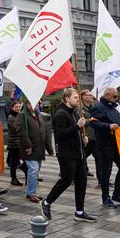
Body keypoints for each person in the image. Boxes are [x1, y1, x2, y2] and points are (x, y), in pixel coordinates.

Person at [40, 89, 96, 222]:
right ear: (66, 99)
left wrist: (84, 138)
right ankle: (46, 202)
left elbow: (76, 132)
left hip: (79, 152)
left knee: (82, 182)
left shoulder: (74, 112)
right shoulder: (61, 114)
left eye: (78, 97)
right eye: (75, 97)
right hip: (67, 154)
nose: (78, 99)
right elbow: (61, 134)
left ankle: (79, 211)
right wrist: (77, 126)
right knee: (66, 180)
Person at [91, 87, 120, 208]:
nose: (116, 99)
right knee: (106, 172)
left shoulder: (113, 107)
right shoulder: (99, 107)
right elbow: (93, 122)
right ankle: (105, 197)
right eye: (114, 96)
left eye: (117, 96)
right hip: (105, 144)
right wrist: (108, 126)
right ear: (107, 95)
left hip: (117, 143)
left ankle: (117, 193)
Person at [13, 101, 52, 202]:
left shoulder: (39, 115)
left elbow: (45, 131)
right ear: (27, 104)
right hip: (29, 148)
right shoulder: (22, 115)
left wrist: (49, 148)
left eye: (37, 104)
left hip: (39, 148)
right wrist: (28, 145)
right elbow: (20, 131)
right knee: (33, 170)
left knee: (36, 171)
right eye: (32, 103)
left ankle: (31, 191)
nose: (35, 105)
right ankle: (31, 193)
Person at [80, 90, 100, 180]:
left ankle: (102, 179)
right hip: (86, 136)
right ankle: (77, 174)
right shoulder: (79, 108)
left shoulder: (94, 106)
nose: (91, 96)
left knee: (99, 158)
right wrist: (91, 120)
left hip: (95, 136)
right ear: (83, 97)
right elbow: (80, 122)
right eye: (88, 95)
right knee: (82, 157)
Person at [5, 100, 26, 186]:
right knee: (14, 162)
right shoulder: (11, 117)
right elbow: (15, 128)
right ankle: (13, 178)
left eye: (19, 107)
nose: (18, 108)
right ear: (12, 108)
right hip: (14, 143)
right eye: (16, 107)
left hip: (19, 142)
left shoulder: (18, 115)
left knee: (21, 160)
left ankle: (27, 171)